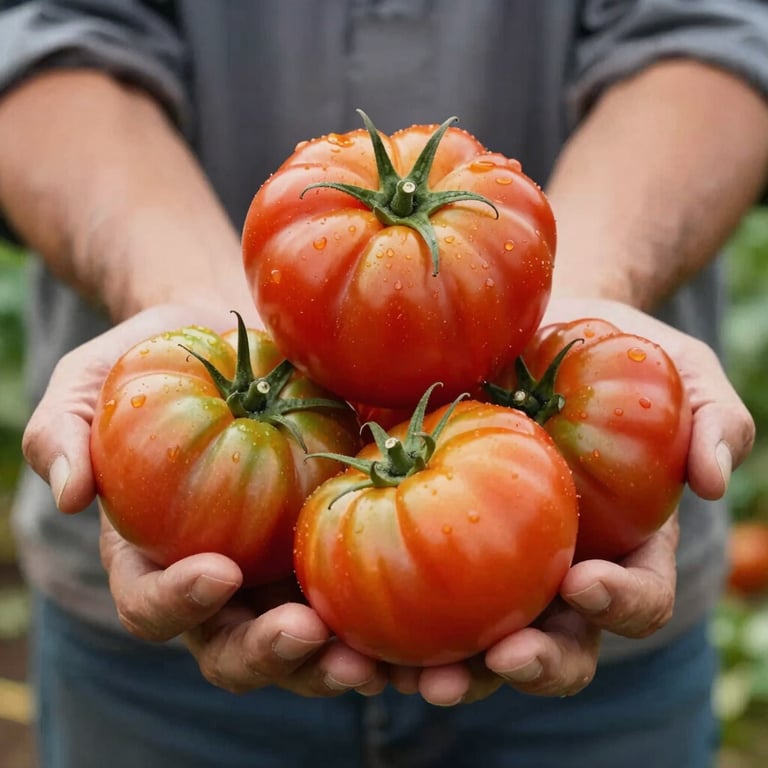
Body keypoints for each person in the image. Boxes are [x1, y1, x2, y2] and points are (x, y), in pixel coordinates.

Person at [0, 1, 766, 766]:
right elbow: (43, 33)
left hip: (605, 666)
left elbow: (710, 29)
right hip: (146, 674)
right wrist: (180, 301)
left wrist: (575, 313)